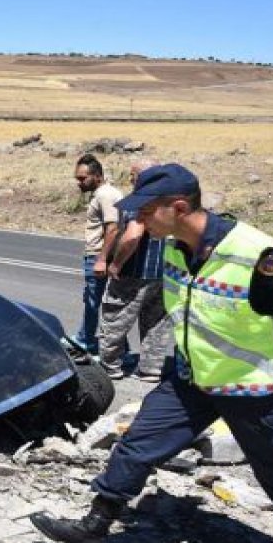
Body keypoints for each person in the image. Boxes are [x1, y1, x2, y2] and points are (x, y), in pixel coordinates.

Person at [30, 164, 273, 543]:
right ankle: (94, 527)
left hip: (252, 385)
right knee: (138, 442)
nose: (138, 220)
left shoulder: (256, 254)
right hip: (191, 379)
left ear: (178, 207)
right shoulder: (178, 246)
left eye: (146, 212)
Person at [96, 158, 171, 381]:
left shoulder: (140, 202)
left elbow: (133, 235)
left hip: (134, 274)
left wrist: (116, 263)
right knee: (156, 323)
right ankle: (151, 369)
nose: (130, 179)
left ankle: (111, 366)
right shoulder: (169, 202)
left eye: (133, 174)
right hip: (164, 275)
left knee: (114, 319)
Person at [73, 153, 122, 354]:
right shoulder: (105, 193)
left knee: (97, 303)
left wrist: (101, 259)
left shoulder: (105, 195)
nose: (79, 182)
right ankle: (87, 339)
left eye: (83, 178)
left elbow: (113, 228)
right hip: (99, 255)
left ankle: (88, 342)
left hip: (98, 256)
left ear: (97, 176)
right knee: (98, 302)